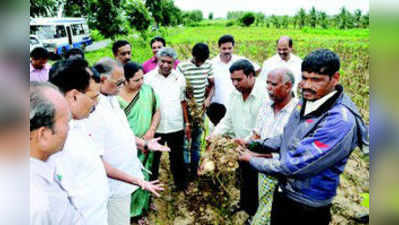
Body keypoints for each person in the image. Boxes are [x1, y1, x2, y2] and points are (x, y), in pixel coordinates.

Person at [238, 49, 369, 225]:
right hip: (284, 191)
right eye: (305, 78)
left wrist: (252, 160)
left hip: (308, 204)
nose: (306, 85)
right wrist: (255, 145)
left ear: (335, 78)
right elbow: (288, 137)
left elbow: (297, 165)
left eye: (316, 80)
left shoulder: (340, 120)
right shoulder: (307, 100)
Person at [85, 57, 168, 225]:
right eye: (119, 82)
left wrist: (144, 143)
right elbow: (97, 161)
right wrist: (136, 180)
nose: (122, 86)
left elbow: (122, 134)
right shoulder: (93, 110)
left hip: (123, 183)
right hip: (112, 187)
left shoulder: (113, 100)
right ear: (102, 79)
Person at [46, 58, 109, 225]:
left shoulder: (76, 125)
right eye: (94, 97)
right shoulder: (53, 141)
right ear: (74, 96)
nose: (96, 104)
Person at [235, 68, 298, 225]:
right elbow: (256, 133)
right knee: (255, 198)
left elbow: (288, 152)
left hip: (279, 170)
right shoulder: (266, 106)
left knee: (271, 209)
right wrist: (246, 143)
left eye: (273, 84)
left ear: (288, 86)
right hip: (258, 162)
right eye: (267, 83)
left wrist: (253, 156)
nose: (268, 87)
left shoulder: (297, 113)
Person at [208, 59, 268, 221]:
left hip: (260, 148)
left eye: (238, 80)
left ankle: (255, 214)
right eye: (232, 80)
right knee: (244, 178)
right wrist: (215, 135)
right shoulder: (234, 94)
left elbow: (262, 126)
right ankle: (245, 205)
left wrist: (247, 141)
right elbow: (228, 120)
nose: (235, 84)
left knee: (257, 182)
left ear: (251, 76)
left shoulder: (265, 95)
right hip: (240, 147)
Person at [30, 81, 84, 225]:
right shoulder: (37, 205)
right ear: (43, 134)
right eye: (66, 123)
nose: (69, 129)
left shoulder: (44, 162)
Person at [117, 62, 161, 221]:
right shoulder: (115, 99)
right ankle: (128, 213)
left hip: (147, 144)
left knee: (145, 176)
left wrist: (151, 131)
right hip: (125, 147)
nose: (141, 82)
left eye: (142, 78)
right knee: (128, 178)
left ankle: (140, 210)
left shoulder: (148, 91)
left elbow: (157, 111)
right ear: (125, 80)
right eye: (136, 80)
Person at [145, 47, 189, 191]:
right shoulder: (148, 78)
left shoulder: (179, 77)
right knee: (153, 159)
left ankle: (181, 185)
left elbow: (183, 101)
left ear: (174, 63)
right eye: (162, 61)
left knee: (177, 158)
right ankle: (151, 186)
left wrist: (186, 123)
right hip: (155, 126)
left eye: (169, 62)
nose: (165, 65)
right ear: (158, 60)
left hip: (175, 124)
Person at [177, 43, 214, 178]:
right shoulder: (182, 67)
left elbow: (212, 84)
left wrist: (208, 98)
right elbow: (181, 94)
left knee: (197, 143)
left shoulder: (208, 65)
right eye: (198, 60)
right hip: (186, 112)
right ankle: (185, 171)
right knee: (185, 143)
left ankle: (194, 171)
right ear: (193, 56)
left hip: (200, 112)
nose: (200, 64)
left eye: (202, 61)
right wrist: (187, 119)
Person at [209, 34, 261, 125]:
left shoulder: (240, 61)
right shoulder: (211, 64)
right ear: (219, 48)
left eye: (229, 48)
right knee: (216, 134)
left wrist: (248, 84)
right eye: (224, 48)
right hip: (217, 107)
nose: (227, 51)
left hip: (237, 105)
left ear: (233, 47)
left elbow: (257, 69)